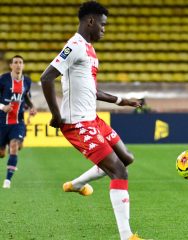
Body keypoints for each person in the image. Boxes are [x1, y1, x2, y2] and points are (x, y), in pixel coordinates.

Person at [40, 2, 148, 240]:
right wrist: (57, 115)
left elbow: (92, 90)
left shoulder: (89, 50)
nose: (104, 29)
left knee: (125, 158)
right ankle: (127, 236)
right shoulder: (74, 46)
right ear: (90, 21)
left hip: (93, 119)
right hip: (78, 123)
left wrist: (123, 101)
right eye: (102, 24)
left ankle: (77, 184)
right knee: (119, 172)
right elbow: (46, 78)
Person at [0, 55, 37, 189]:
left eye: (20, 62)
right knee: (1, 153)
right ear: (11, 65)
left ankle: (7, 180)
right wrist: (3, 107)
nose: (18, 65)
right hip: (2, 121)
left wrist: (31, 107)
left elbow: (26, 96)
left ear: (23, 65)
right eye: (15, 62)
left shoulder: (26, 81)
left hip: (18, 121)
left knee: (15, 145)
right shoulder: (3, 79)